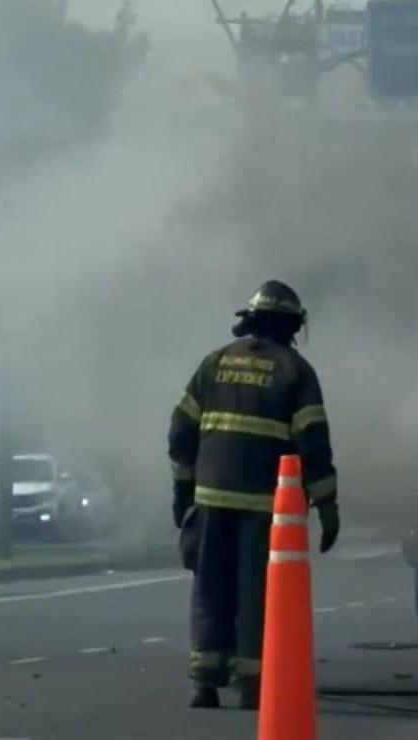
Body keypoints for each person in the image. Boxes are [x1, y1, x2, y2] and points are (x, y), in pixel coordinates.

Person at [167, 279, 340, 710]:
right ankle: (251, 684)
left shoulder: (214, 363)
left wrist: (181, 489)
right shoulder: (295, 371)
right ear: (290, 325)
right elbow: (313, 441)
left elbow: (181, 430)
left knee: (209, 588)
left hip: (210, 499)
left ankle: (204, 682)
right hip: (266, 508)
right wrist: (327, 502)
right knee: (255, 594)